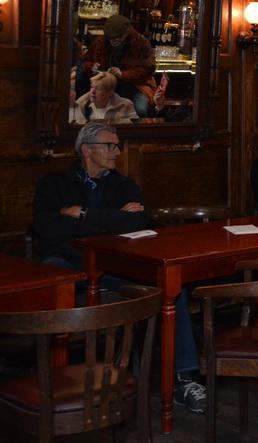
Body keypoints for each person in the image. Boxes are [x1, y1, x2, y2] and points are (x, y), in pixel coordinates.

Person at [32, 121, 207, 414]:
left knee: (172, 286)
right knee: (49, 280)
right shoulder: (54, 184)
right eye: (110, 146)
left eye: (117, 146)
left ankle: (183, 379)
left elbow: (136, 221)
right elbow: (48, 229)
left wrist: (82, 215)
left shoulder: (123, 184)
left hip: (116, 268)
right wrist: (112, 219)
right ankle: (55, 384)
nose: (117, 152)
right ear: (87, 150)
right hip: (70, 264)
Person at [81, 14, 157, 117]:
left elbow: (148, 69)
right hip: (106, 85)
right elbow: (85, 61)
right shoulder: (101, 41)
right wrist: (92, 66)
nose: (113, 41)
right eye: (110, 38)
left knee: (139, 111)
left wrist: (122, 74)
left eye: (117, 38)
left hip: (135, 86)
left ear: (126, 32)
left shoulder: (141, 43)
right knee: (88, 109)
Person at [68, 71, 139, 124]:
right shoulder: (82, 105)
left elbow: (134, 128)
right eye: (92, 87)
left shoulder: (125, 105)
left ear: (110, 92)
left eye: (98, 89)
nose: (92, 92)